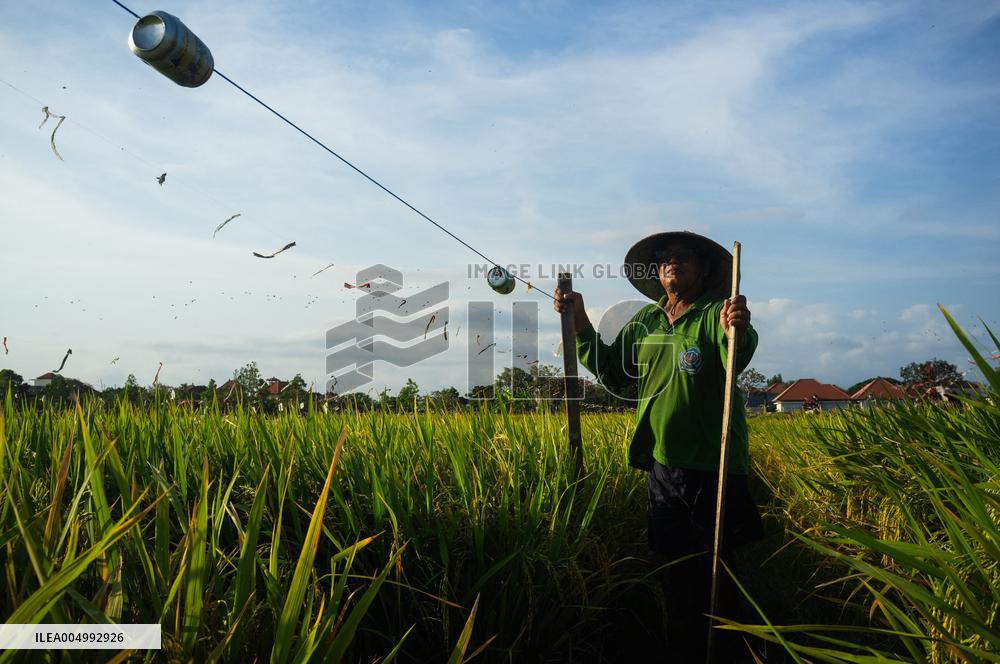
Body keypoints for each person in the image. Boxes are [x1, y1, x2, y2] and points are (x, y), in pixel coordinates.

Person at [554, 230, 764, 661]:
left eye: (684, 257)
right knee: (675, 568)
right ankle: (685, 646)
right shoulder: (647, 322)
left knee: (718, 573)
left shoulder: (714, 314)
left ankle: (728, 650)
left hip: (714, 463)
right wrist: (580, 321)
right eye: (665, 257)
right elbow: (613, 370)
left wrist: (736, 328)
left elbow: (736, 354)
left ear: (703, 269)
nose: (672, 262)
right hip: (663, 467)